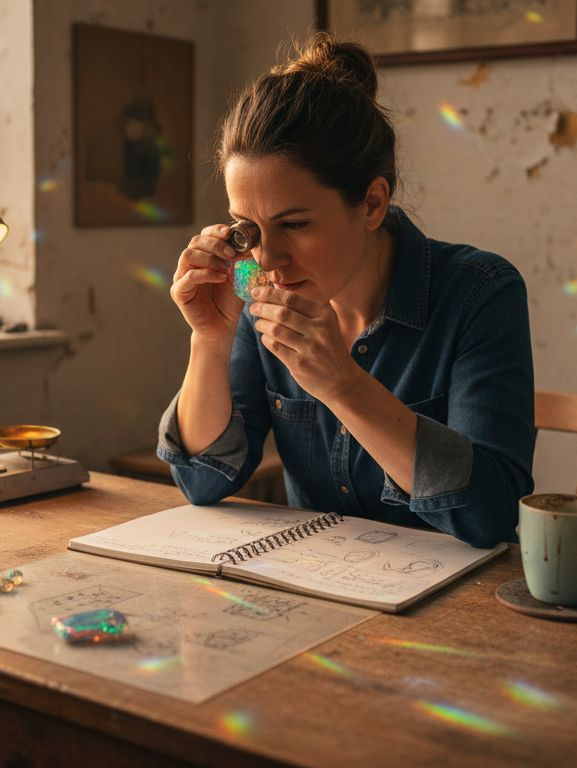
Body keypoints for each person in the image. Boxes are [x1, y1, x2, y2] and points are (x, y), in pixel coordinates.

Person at [156, 33, 534, 548]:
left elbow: (489, 512)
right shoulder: (258, 293)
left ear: (373, 203)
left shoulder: (480, 293)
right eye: (247, 228)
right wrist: (209, 339)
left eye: (294, 224)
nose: (267, 258)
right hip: (318, 596)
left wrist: (342, 384)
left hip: (456, 608)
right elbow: (202, 482)